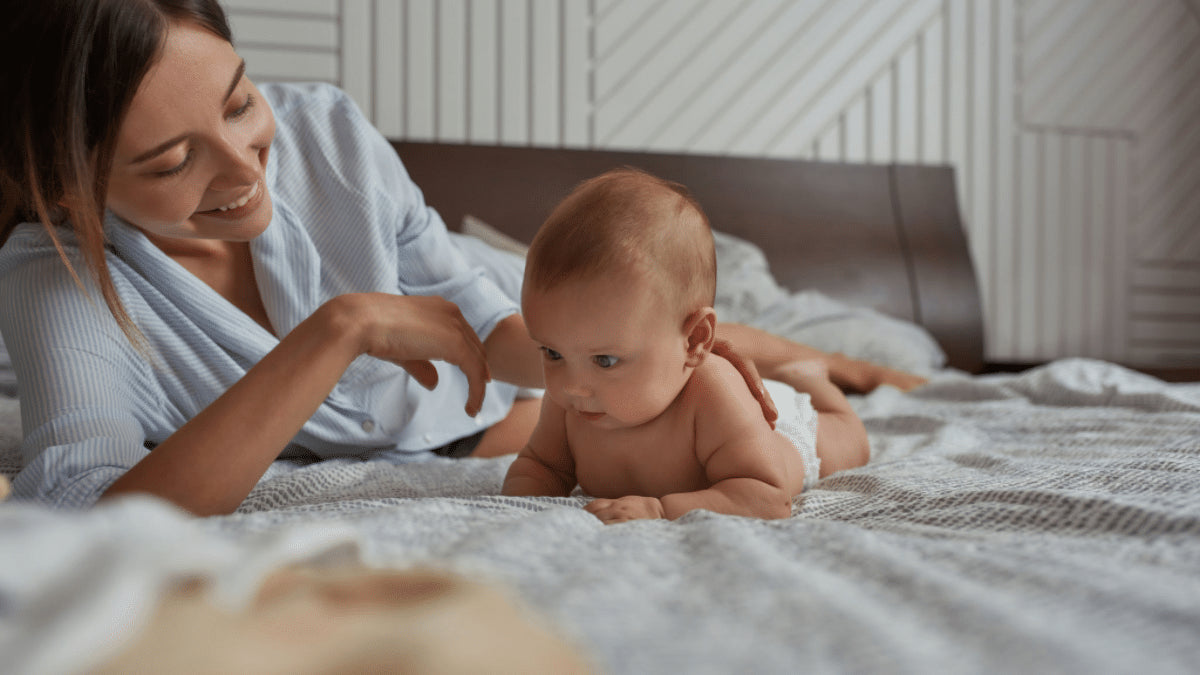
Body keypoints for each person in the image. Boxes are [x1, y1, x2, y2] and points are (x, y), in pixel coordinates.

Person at [0, 0, 914, 516]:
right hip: (513, 415)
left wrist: (679, 361)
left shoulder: (327, 138)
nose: (246, 170)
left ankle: (815, 361)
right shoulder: (60, 280)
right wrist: (342, 327)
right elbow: (88, 510)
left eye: (240, 105)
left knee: (634, 322)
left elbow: (506, 331)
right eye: (170, 161)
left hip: (508, 392)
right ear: (63, 188)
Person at [501, 169, 870, 524]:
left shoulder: (711, 389)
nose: (570, 385)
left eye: (606, 360)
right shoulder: (572, 397)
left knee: (850, 443)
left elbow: (767, 497)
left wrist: (662, 510)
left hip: (785, 433)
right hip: (736, 421)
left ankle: (815, 382)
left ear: (694, 341)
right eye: (552, 353)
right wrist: (517, 506)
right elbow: (540, 467)